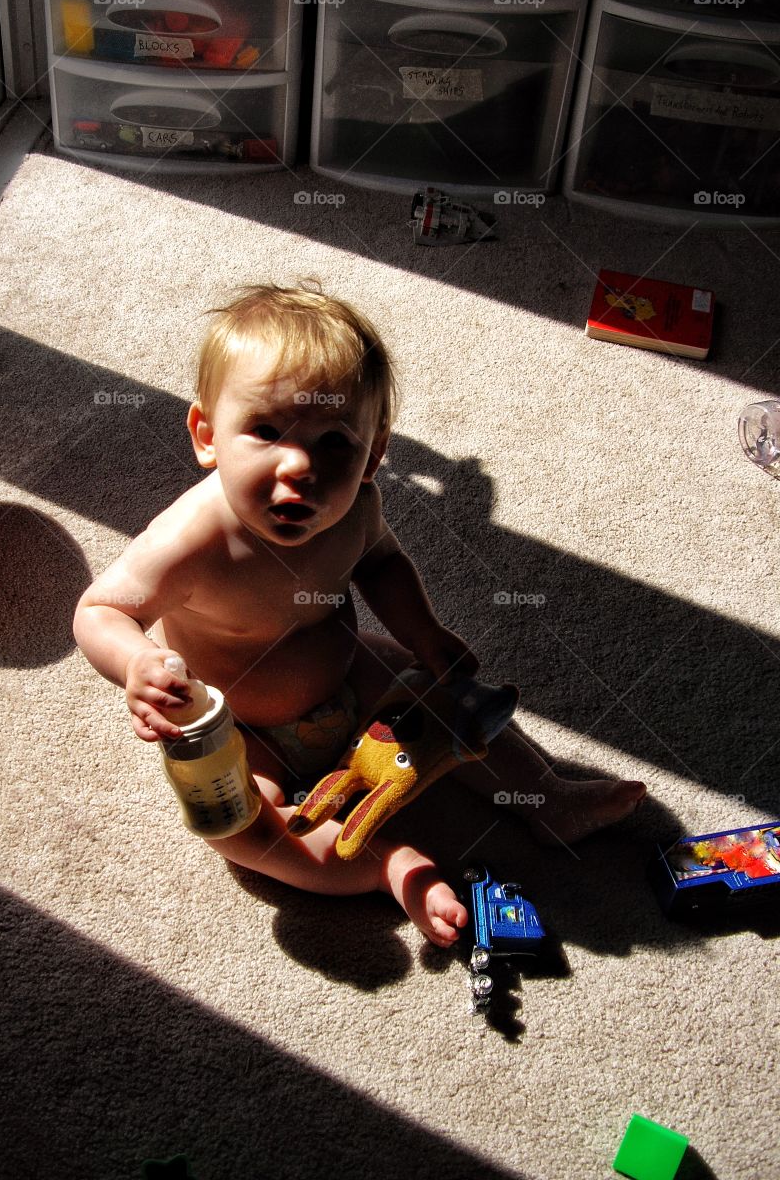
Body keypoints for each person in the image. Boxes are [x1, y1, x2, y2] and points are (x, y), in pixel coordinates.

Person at [73, 283, 646, 946]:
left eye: (335, 444)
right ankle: (386, 869)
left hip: (348, 674)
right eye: (264, 431)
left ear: (374, 454)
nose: (300, 466)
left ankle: (547, 798)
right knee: (240, 828)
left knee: (451, 701)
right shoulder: (190, 541)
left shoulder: (360, 507)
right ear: (207, 435)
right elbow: (100, 609)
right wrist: (138, 662)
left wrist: (424, 634)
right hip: (241, 727)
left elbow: (381, 567)